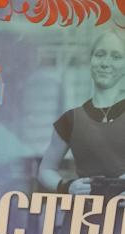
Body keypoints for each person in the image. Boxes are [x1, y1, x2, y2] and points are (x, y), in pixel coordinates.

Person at [39, 32, 125, 197]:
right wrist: (68, 186)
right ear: (90, 61)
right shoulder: (70, 120)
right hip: (86, 211)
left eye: (116, 57)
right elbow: (46, 170)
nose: (105, 63)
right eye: (100, 55)